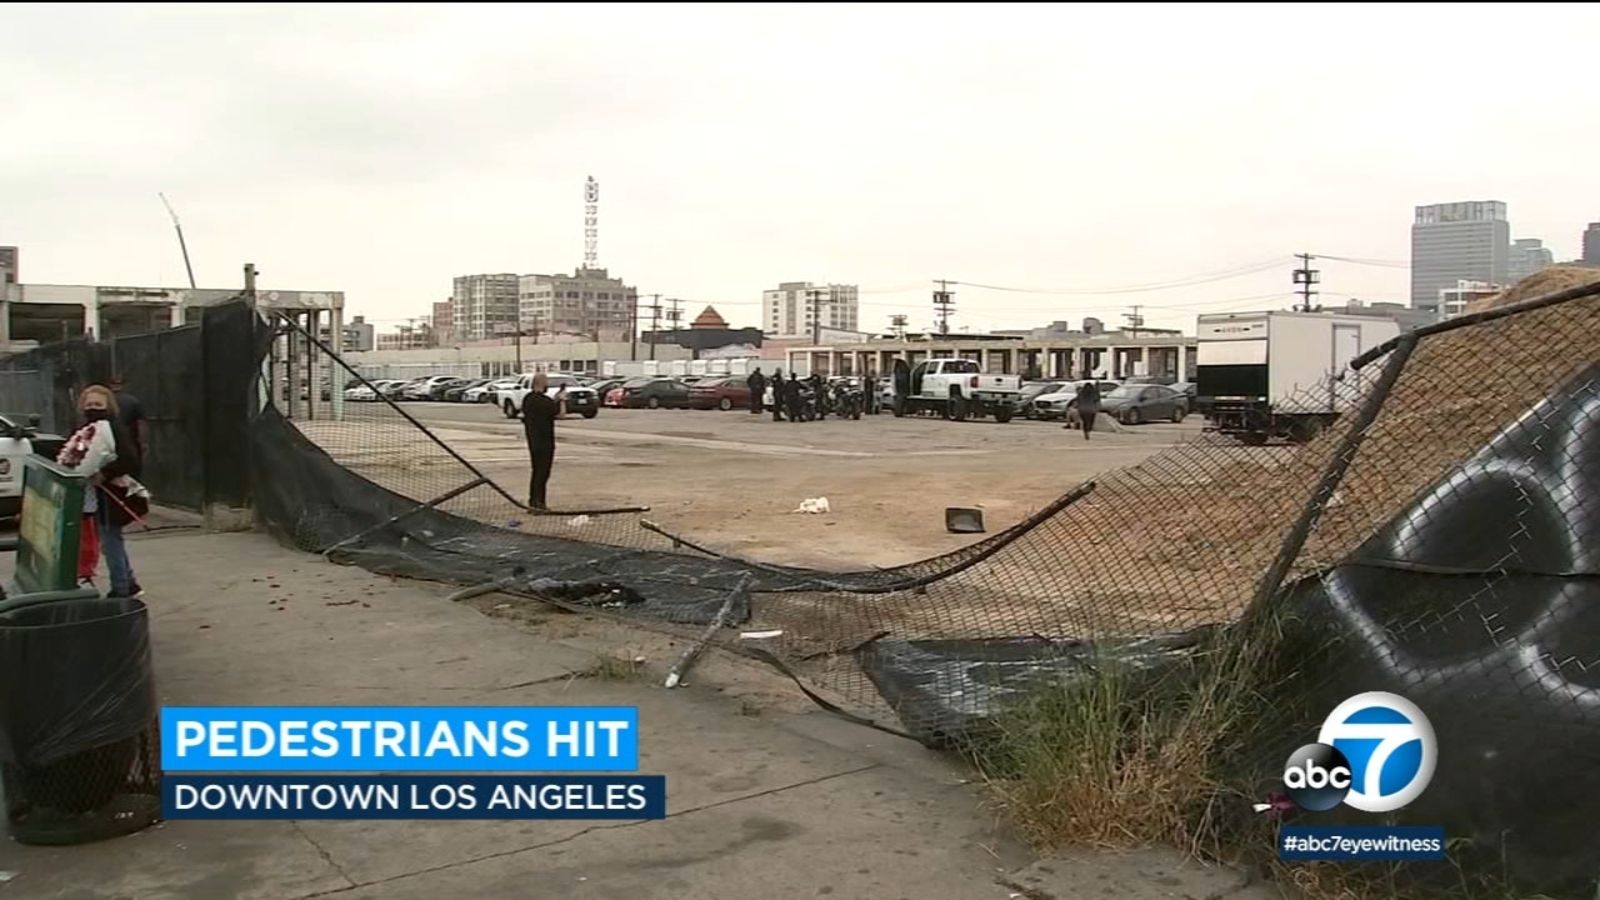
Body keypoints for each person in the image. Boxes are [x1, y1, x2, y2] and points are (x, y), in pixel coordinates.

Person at [56, 384, 147, 598]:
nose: (93, 408)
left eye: (98, 404)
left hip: (108, 494)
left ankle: (121, 588)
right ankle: (129, 582)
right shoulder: (83, 430)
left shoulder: (114, 428)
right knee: (111, 539)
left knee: (110, 540)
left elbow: (130, 460)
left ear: (109, 406)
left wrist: (104, 474)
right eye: (89, 404)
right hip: (92, 494)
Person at [520, 373, 565, 510]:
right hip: (545, 441)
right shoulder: (545, 402)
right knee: (543, 473)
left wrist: (554, 400)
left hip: (533, 440)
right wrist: (561, 400)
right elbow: (561, 414)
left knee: (536, 471)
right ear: (542, 384)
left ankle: (533, 500)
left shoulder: (528, 399)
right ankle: (540, 503)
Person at [109, 374, 149, 464]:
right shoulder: (133, 401)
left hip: (108, 440)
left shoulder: (103, 401)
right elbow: (141, 424)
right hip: (129, 440)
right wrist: (143, 442)